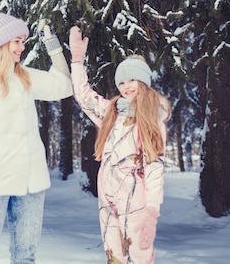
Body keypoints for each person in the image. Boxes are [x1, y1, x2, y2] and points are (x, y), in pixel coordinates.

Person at [0, 12, 73, 264]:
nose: (22, 47)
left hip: (31, 183)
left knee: (25, 256)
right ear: (0, 43)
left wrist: (51, 44)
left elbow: (63, 85)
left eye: (24, 41)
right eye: (17, 41)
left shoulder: (23, 76)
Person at [68, 26, 171, 264]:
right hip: (107, 195)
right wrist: (76, 60)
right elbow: (83, 95)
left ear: (143, 81)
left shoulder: (151, 118)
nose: (126, 86)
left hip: (135, 198)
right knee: (113, 255)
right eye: (122, 81)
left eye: (132, 79)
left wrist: (153, 206)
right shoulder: (111, 112)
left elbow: (155, 164)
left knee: (139, 254)